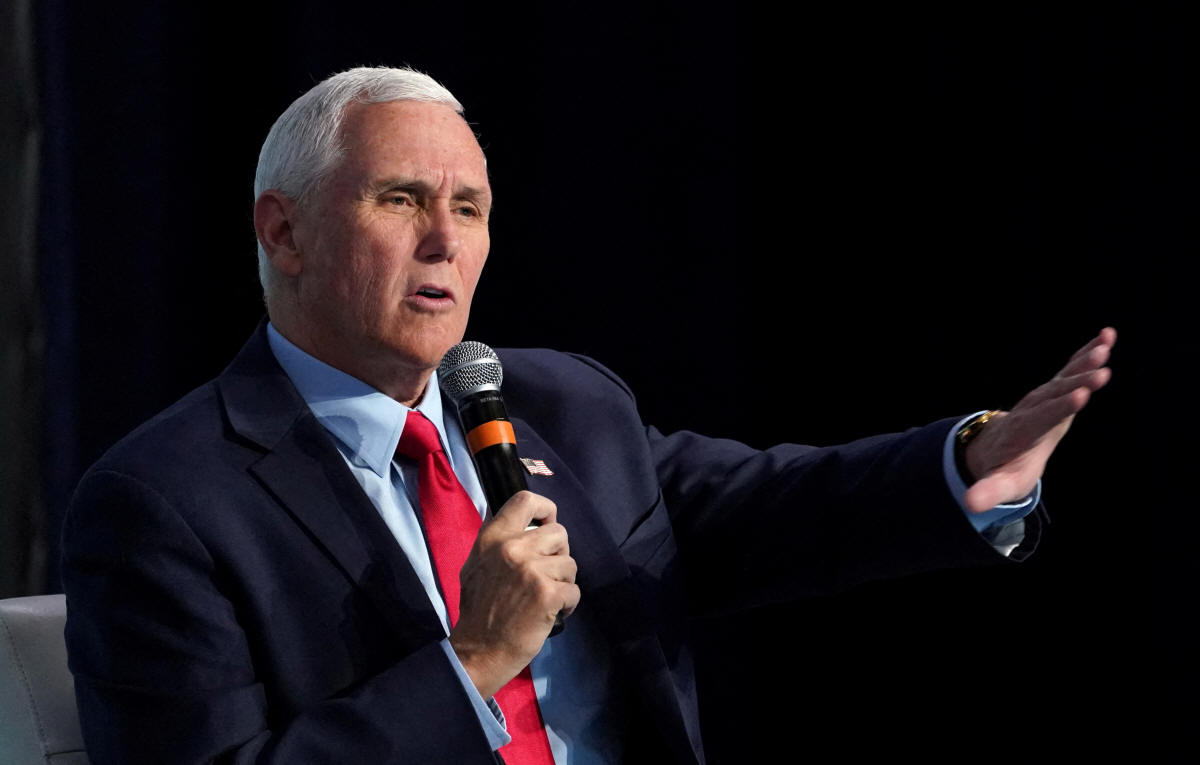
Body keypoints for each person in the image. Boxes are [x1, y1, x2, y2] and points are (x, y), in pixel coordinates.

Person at [61, 67, 1115, 764]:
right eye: (401, 199)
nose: (446, 242)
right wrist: (473, 663)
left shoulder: (561, 404)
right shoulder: (164, 503)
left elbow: (777, 509)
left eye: (469, 208)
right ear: (283, 233)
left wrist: (969, 467)